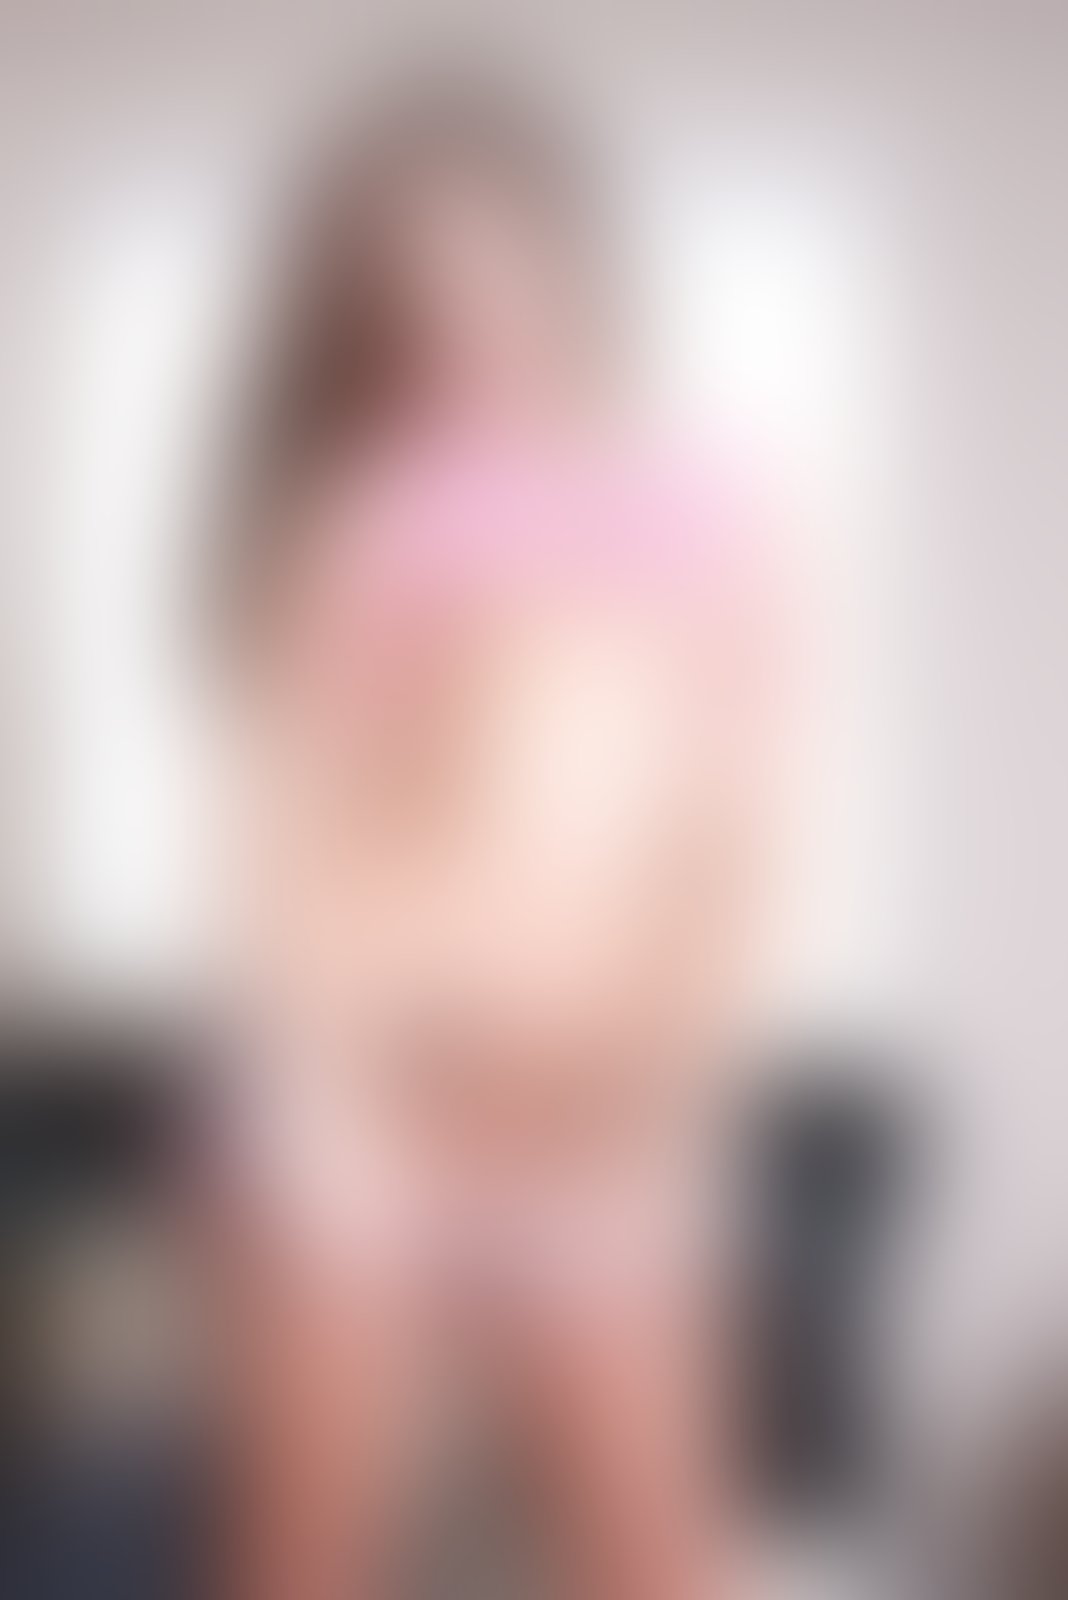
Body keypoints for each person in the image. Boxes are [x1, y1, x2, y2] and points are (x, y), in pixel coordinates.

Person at [208, 81, 784, 1600]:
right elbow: (291, 847)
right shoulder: (351, 528)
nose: (469, 336)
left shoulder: (709, 508)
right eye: (415, 305)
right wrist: (389, 1063)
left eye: (498, 274)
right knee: (301, 1570)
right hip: (365, 1098)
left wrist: (648, 1059)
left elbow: (735, 835)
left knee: (661, 1568)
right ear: (368, 335)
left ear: (573, 271)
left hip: (608, 1113)